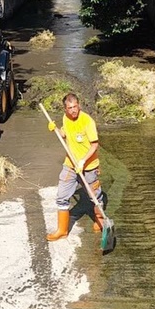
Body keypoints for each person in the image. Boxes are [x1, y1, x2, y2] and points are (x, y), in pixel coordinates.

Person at [45, 93, 106, 241]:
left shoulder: (87, 121)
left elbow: (94, 145)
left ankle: (101, 221)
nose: (73, 110)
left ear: (79, 105)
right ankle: (62, 230)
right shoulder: (66, 118)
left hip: (89, 166)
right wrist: (56, 130)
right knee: (61, 196)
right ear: (65, 109)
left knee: (95, 197)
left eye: (75, 107)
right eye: (70, 108)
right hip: (71, 164)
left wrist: (83, 161)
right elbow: (66, 135)